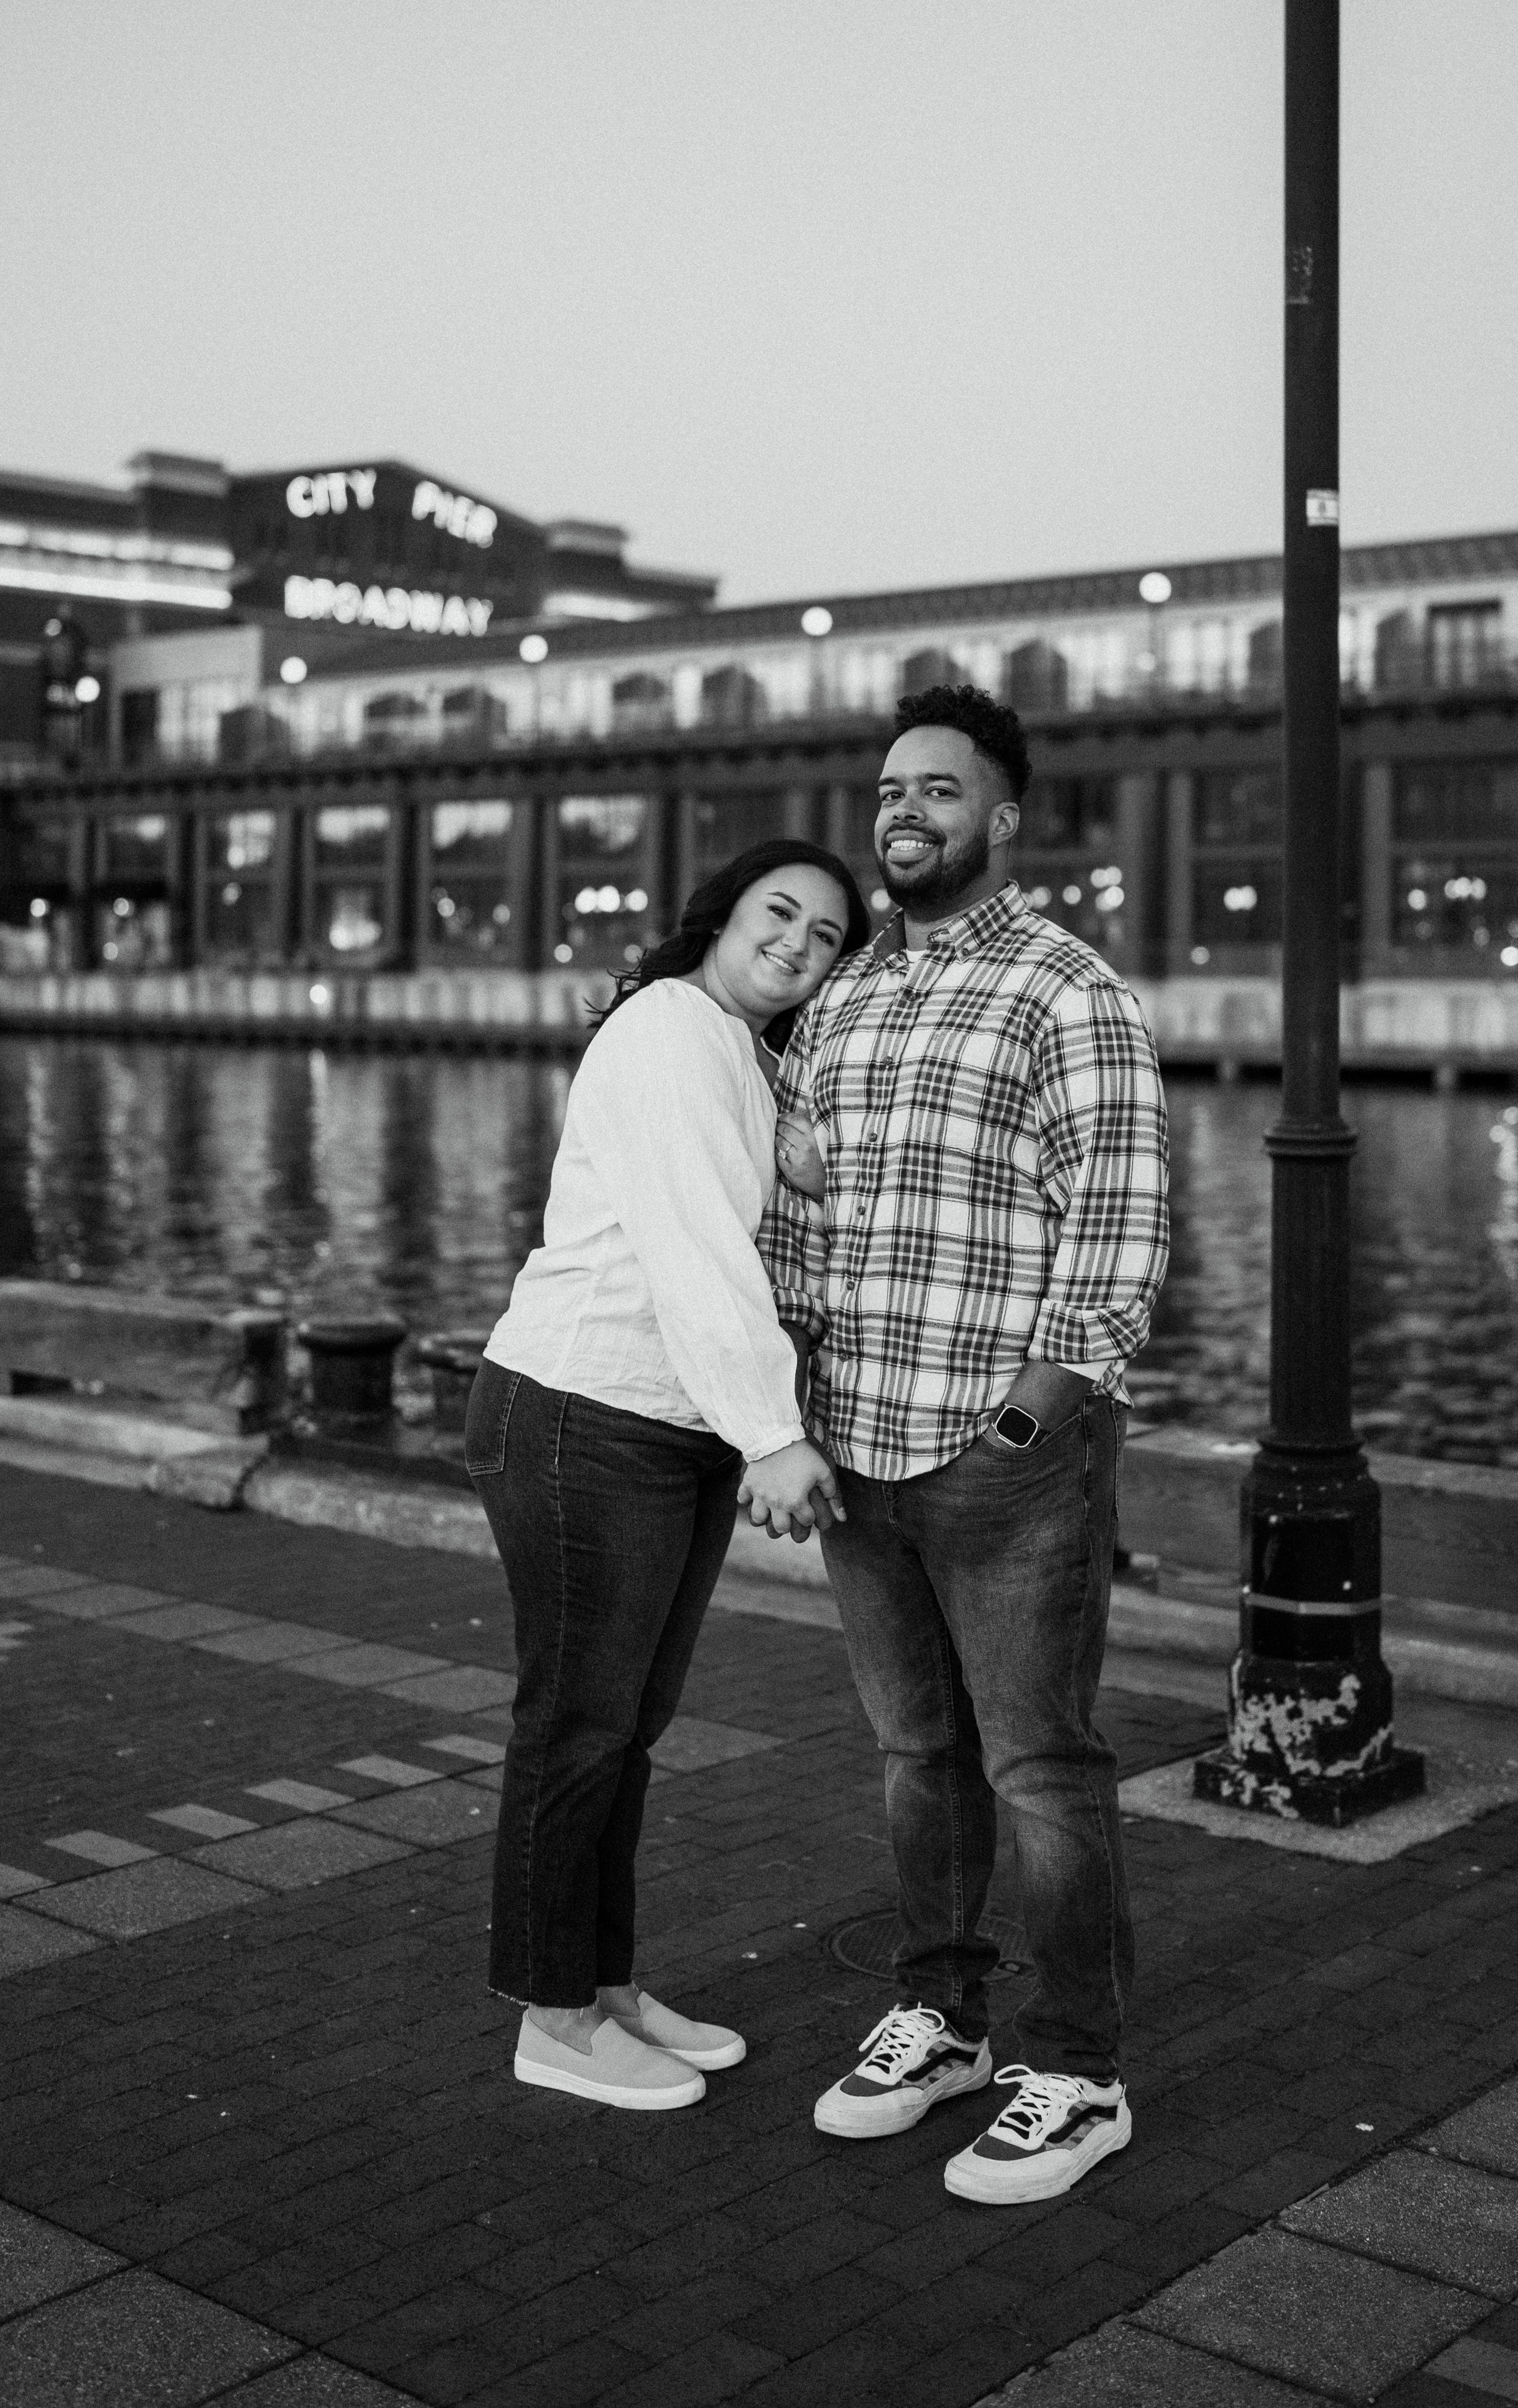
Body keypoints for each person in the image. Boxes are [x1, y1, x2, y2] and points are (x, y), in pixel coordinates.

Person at [762, 684, 1169, 2203]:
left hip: (1000, 1452)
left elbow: (1117, 1227)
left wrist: (1032, 1409)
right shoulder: (848, 990)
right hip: (857, 1444)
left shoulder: (1073, 991)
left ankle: (1076, 2071)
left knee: (1043, 1764)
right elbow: (801, 1199)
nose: (901, 815)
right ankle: (941, 2015)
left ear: (1002, 817)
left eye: (936, 791)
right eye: (886, 791)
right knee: (917, 1757)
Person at [466, 838, 869, 2112]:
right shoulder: (670, 1035)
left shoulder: (737, 1053)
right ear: (722, 913)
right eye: (781, 913)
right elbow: (698, 1250)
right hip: (587, 1409)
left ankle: (605, 1983)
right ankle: (554, 2017)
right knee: (579, 1722)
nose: (799, 944)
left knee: (626, 1727)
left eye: (825, 937)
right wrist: (776, 1433)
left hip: (659, 1423)